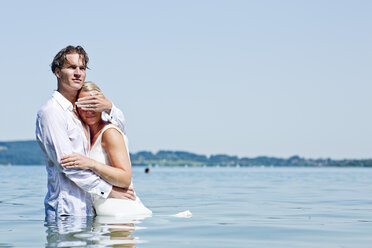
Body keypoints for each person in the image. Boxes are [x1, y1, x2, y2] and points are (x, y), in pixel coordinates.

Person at [36, 45, 134, 218]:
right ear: (58, 72)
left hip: (89, 210)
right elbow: (68, 165)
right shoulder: (52, 112)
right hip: (66, 211)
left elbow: (119, 133)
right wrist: (110, 191)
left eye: (82, 68)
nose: (78, 73)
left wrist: (110, 107)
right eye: (72, 67)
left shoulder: (81, 112)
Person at [61, 82, 152, 217]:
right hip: (105, 219)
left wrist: (91, 164)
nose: (89, 110)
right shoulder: (85, 135)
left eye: (93, 105)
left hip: (121, 214)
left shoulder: (110, 133)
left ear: (101, 105)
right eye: (84, 105)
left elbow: (125, 178)